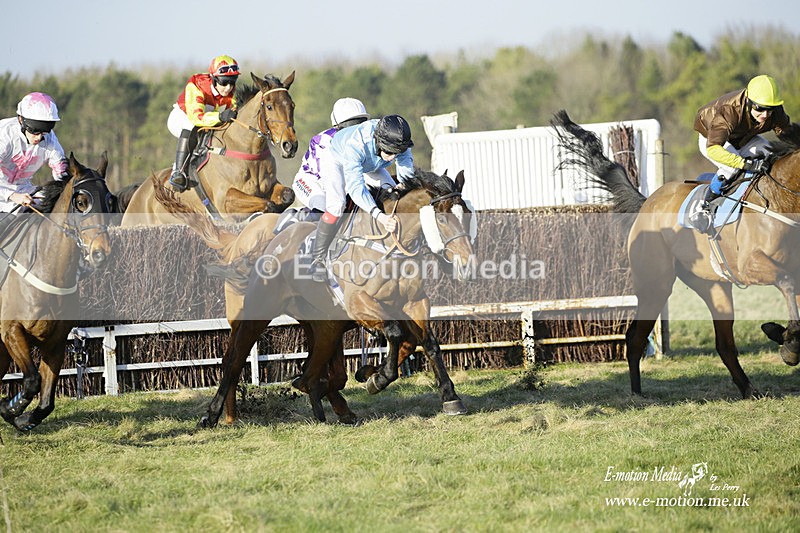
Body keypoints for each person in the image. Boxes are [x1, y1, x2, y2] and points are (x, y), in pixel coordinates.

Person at [307, 113, 415, 282]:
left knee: (391, 193)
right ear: (378, 140)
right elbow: (356, 188)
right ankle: (317, 258)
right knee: (337, 205)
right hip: (336, 158)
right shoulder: (356, 145)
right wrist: (380, 217)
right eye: (389, 151)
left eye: (397, 152)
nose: (393, 157)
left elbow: (406, 173)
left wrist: (404, 185)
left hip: (372, 161)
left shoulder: (399, 142)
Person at [690, 74, 791, 234]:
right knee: (731, 169)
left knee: (771, 156)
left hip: (744, 138)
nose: (765, 115)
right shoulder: (729, 110)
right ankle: (704, 206)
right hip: (712, 140)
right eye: (759, 108)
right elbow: (714, 149)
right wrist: (744, 163)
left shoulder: (774, 110)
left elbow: (788, 134)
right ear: (749, 102)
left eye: (769, 110)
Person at [168, 54, 241, 191]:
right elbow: (197, 118)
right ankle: (178, 172)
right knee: (192, 127)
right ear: (214, 79)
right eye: (224, 82)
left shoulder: (231, 91)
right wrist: (220, 117)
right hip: (181, 118)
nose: (228, 88)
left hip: (207, 121)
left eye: (232, 81)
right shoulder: (196, 85)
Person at [0, 92, 68, 221]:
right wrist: (12, 195)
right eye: (34, 130)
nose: (39, 137)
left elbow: (61, 170)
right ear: (21, 119)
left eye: (44, 131)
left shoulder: (49, 139)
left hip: (24, 190)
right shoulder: (4, 135)